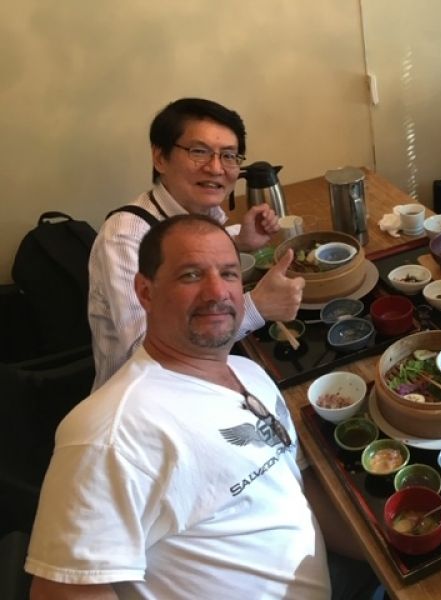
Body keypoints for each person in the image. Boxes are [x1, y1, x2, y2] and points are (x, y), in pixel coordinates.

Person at [26, 215, 378, 599]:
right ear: (145, 291)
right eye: (191, 275)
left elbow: (297, 490)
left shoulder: (249, 373)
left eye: (228, 274)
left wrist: (385, 553)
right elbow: (61, 592)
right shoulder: (109, 432)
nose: (217, 292)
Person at [88, 97, 304, 390]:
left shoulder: (199, 213)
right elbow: (143, 353)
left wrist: (239, 241)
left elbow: (189, 254)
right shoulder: (125, 237)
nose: (216, 168)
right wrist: (257, 307)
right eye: (199, 152)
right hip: (147, 403)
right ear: (160, 157)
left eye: (229, 155)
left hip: (207, 373)